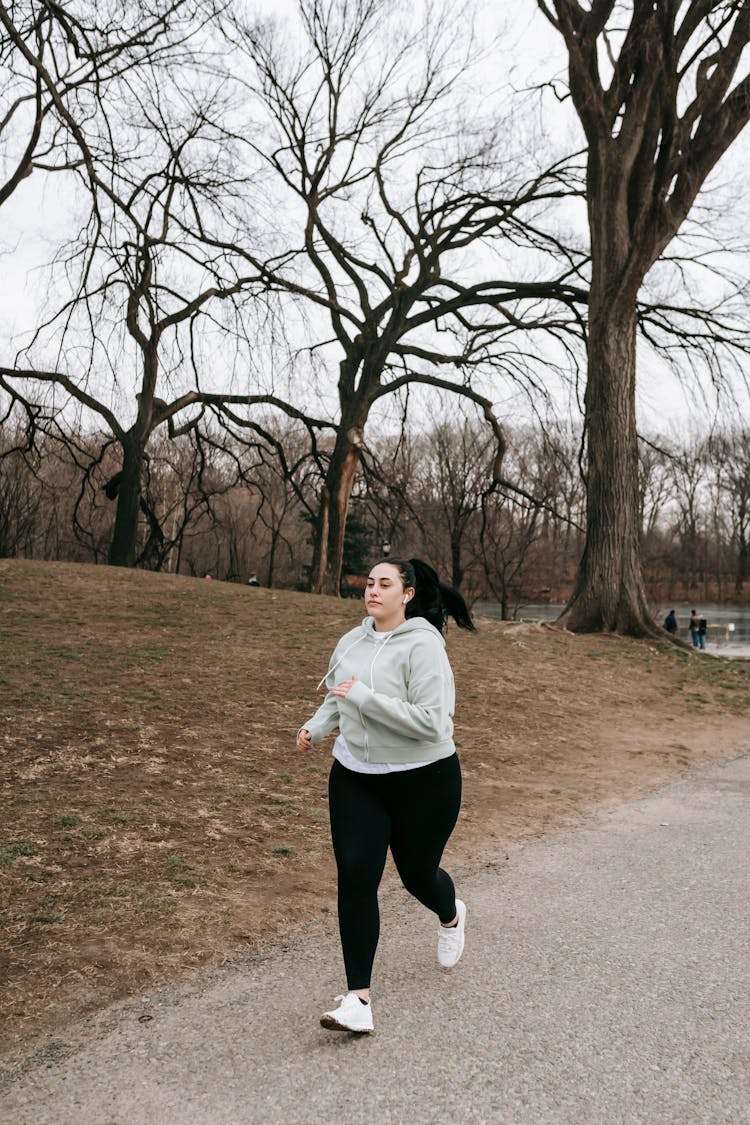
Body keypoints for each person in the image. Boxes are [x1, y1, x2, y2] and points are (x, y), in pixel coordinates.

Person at [297, 557, 474, 1035]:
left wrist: (364, 700)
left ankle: (450, 912)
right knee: (356, 876)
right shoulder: (350, 641)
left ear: (408, 594)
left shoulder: (424, 648)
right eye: (369, 582)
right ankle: (358, 1000)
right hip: (357, 776)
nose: (373, 590)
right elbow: (338, 695)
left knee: (418, 875)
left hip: (425, 779)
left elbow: (432, 721)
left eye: (385, 583)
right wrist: (316, 727)